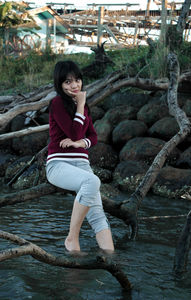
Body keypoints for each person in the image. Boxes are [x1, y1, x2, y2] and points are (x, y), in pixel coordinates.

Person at [46, 60, 114, 253]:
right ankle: (71, 238)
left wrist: (80, 144)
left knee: (98, 214)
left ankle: (111, 256)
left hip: (82, 164)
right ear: (59, 84)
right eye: (68, 82)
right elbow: (75, 132)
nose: (74, 85)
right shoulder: (57, 103)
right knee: (92, 181)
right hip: (58, 164)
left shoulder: (82, 107)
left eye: (77, 80)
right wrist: (81, 104)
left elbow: (92, 136)